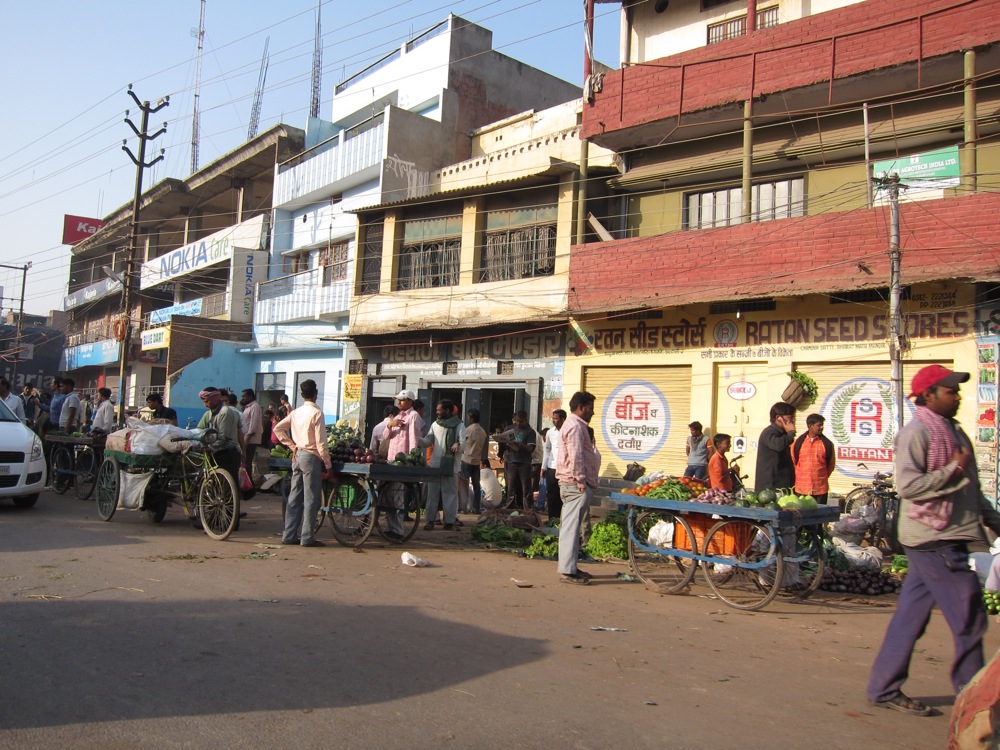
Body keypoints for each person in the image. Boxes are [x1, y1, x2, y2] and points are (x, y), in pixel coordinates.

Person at [867, 365, 1000, 717]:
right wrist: (952, 469)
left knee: (910, 618)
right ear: (929, 395)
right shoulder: (916, 434)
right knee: (970, 618)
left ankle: (883, 687)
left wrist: (994, 521)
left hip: (944, 537)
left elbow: (969, 490)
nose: (957, 397)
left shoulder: (954, 432)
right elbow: (909, 486)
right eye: (950, 391)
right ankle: (975, 705)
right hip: (934, 539)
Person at [272, 379, 332, 548]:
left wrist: (293, 446)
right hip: (311, 457)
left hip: (297, 456)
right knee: (311, 499)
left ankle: (289, 535)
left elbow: (277, 429)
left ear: (301, 395)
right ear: (316, 394)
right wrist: (328, 465)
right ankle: (307, 537)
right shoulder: (317, 413)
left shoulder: (296, 412)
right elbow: (321, 443)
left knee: (294, 497)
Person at [556, 391, 599, 585]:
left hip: (574, 484)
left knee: (572, 528)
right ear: (581, 408)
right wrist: (581, 481)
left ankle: (571, 567)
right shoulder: (575, 427)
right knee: (571, 529)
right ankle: (567, 571)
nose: (593, 412)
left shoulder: (576, 425)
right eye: (590, 408)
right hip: (575, 485)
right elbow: (576, 457)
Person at [420, 399, 465, 531]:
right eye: (437, 410)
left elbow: (463, 444)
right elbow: (428, 441)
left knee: (450, 494)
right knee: (432, 494)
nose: (437, 412)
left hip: (451, 467)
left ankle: (449, 522)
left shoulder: (459, 425)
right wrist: (416, 439)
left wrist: (458, 444)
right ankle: (430, 520)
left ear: (447, 411)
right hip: (435, 464)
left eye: (439, 410)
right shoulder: (435, 424)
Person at [196, 387, 243, 492]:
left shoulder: (225, 412)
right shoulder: (209, 413)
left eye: (206, 401)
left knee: (228, 487)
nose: (205, 405)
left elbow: (223, 437)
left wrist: (209, 448)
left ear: (215, 398)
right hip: (217, 452)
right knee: (216, 486)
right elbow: (199, 430)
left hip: (228, 453)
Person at [791, 413, 836, 504]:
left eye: (822, 425)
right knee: (801, 513)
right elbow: (794, 462)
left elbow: (830, 465)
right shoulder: (798, 443)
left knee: (820, 512)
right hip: (801, 489)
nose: (822, 427)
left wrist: (820, 478)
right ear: (810, 426)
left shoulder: (827, 444)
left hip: (820, 490)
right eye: (819, 425)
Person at [498, 411, 535, 511]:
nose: (518, 423)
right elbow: (504, 443)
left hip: (524, 462)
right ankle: (509, 506)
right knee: (510, 486)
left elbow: (531, 448)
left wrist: (521, 445)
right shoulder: (510, 429)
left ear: (526, 420)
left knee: (526, 487)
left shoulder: (530, 432)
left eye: (521, 421)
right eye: (517, 421)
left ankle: (528, 508)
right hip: (512, 461)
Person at [754, 402, 796, 491]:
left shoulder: (782, 433)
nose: (793, 420)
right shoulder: (770, 432)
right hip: (771, 487)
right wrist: (790, 433)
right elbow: (778, 445)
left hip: (783, 485)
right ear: (778, 418)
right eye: (790, 417)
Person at [460, 409, 487, 514]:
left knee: (464, 484)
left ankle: (464, 507)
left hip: (466, 459)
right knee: (476, 485)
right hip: (476, 461)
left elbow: (461, 442)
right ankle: (476, 507)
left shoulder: (468, 430)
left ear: (470, 418)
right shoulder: (483, 431)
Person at [384, 390, 424, 459]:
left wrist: (412, 458)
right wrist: (389, 425)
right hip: (391, 458)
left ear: (410, 401)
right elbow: (386, 437)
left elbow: (414, 440)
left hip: (404, 460)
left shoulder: (413, 416)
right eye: (398, 400)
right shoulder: (397, 416)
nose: (399, 402)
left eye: (402, 400)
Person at [541, 409, 566, 519]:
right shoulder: (550, 432)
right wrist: (543, 467)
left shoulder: (568, 431)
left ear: (563, 419)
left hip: (564, 468)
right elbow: (547, 450)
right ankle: (552, 519)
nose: (553, 421)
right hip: (551, 467)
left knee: (562, 494)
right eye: (553, 418)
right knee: (551, 494)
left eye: (556, 419)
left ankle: (561, 519)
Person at [240, 389, 263, 477]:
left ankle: (249, 483)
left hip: (251, 440)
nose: (243, 398)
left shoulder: (255, 406)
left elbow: (253, 425)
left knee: (247, 462)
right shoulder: (247, 407)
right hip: (246, 438)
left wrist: (246, 439)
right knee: (244, 462)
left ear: (250, 396)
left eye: (244, 396)